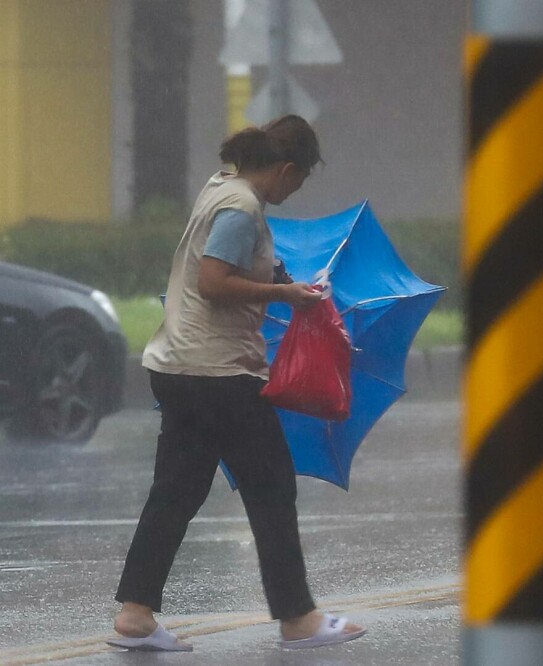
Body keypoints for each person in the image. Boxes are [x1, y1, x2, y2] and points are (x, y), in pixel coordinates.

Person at [107, 115, 366, 652]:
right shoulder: (243, 206)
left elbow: (220, 267)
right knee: (271, 488)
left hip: (179, 366)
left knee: (176, 490)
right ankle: (297, 618)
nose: (294, 191)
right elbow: (215, 281)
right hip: (219, 373)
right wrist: (287, 297)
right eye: (299, 180)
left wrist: (276, 279)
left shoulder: (218, 188)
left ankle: (135, 613)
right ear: (287, 169)